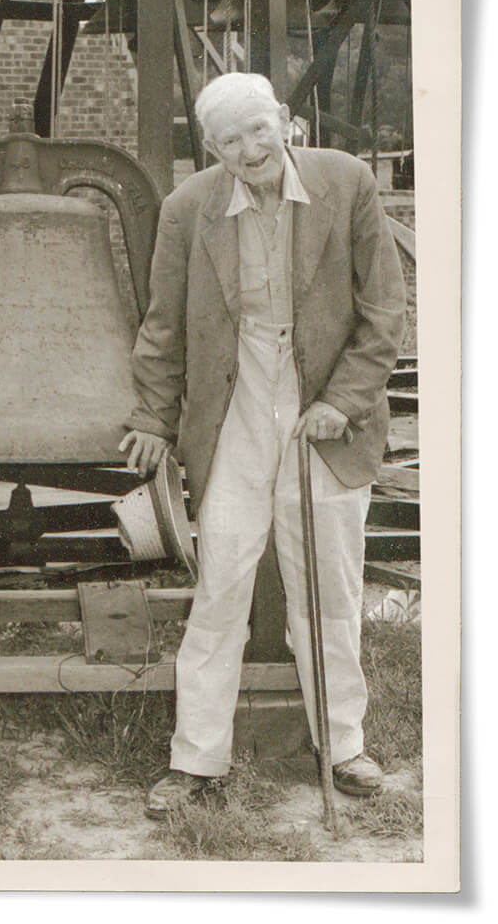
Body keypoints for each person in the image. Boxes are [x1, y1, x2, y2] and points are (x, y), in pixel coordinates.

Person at [118, 73, 406, 819]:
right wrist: (153, 418)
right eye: (228, 141)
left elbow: (383, 313)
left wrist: (340, 401)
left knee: (330, 583)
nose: (249, 149)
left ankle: (342, 745)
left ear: (283, 120)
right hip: (236, 401)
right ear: (210, 148)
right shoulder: (189, 208)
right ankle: (195, 758)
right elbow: (164, 324)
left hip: (322, 407)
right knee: (221, 580)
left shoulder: (347, 183)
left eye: (257, 129)